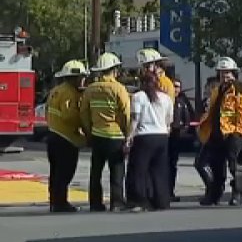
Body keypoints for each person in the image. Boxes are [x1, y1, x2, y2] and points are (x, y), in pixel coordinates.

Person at [80, 52, 131, 212]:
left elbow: (84, 112)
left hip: (97, 135)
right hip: (115, 136)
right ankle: (116, 203)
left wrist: (89, 132)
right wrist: (127, 134)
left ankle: (95, 203)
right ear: (114, 70)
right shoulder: (118, 88)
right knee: (117, 171)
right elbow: (126, 114)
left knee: (96, 172)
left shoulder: (90, 89)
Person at [196, 57, 242, 206]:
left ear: (234, 74)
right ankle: (214, 195)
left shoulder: (240, 90)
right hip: (216, 133)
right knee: (214, 166)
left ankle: (238, 194)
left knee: (234, 166)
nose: (224, 76)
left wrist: (239, 133)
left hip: (233, 133)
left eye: (227, 73)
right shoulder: (217, 90)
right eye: (222, 73)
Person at [125, 68, 174, 211]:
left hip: (144, 137)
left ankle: (140, 201)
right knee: (159, 171)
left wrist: (129, 137)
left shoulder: (138, 97)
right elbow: (169, 119)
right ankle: (161, 201)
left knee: (139, 170)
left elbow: (135, 119)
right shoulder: (166, 98)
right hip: (162, 136)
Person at [45, 60, 89, 213]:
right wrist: (84, 124)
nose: (83, 80)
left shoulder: (55, 90)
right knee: (65, 173)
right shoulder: (70, 93)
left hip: (53, 135)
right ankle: (61, 203)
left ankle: (55, 201)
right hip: (66, 138)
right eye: (82, 77)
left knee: (55, 173)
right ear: (74, 78)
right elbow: (69, 116)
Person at [164, 63, 194, 202]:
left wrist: (184, 131)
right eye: (174, 86)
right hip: (165, 136)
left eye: (178, 87)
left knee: (172, 166)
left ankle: (170, 191)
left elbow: (189, 119)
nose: (176, 89)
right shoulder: (166, 100)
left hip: (176, 137)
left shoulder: (183, 101)